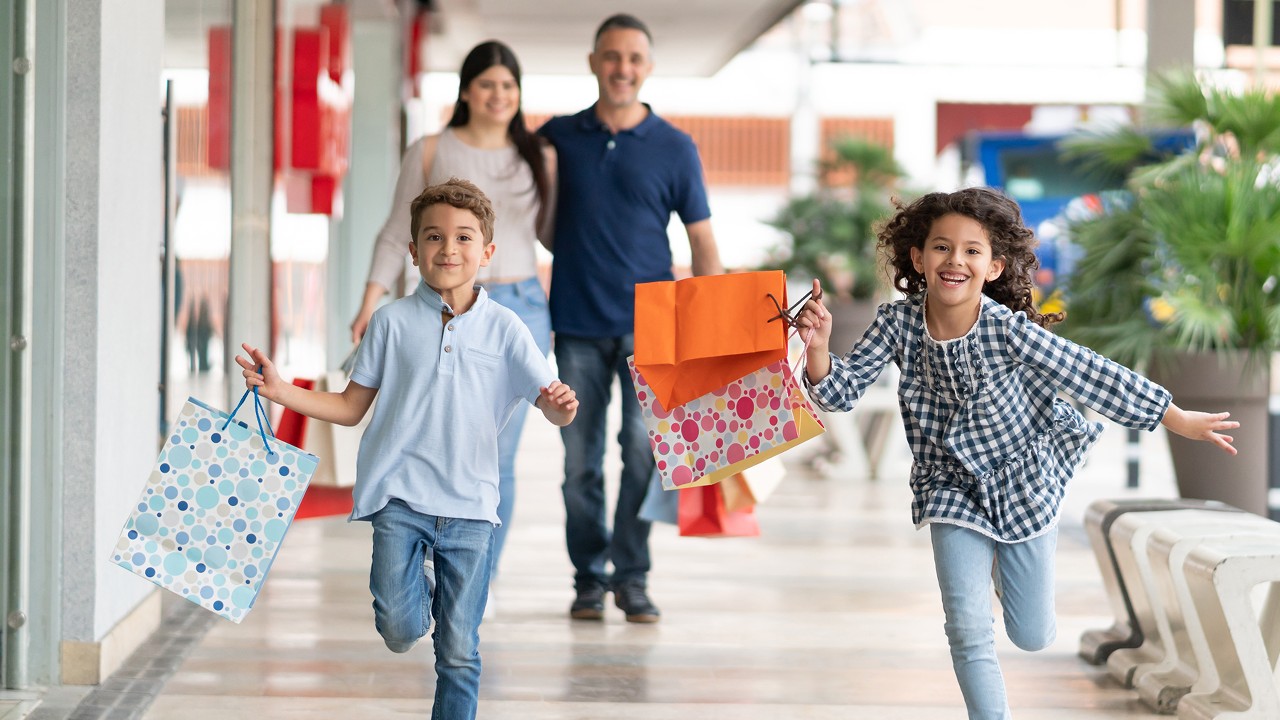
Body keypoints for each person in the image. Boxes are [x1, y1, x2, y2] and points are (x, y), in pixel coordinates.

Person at [793, 187, 1238, 720]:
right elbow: (838, 393)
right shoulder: (897, 324)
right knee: (966, 625)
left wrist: (1174, 417)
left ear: (994, 267)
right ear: (918, 258)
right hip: (948, 486)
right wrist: (817, 346)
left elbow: (1090, 373)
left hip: (1023, 478)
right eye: (941, 247)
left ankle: (1010, 568)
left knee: (1031, 634)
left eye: (972, 251)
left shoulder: (1008, 332)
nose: (955, 260)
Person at [237, 179, 578, 720]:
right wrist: (280, 391)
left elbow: (552, 408)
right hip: (399, 499)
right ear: (414, 251)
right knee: (398, 626)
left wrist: (562, 403)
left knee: (460, 653)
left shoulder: (507, 329)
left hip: (471, 508)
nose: (449, 248)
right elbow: (351, 408)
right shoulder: (390, 323)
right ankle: (428, 594)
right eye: (434, 237)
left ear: (487, 252)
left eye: (464, 238)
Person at [537, 13, 724, 624]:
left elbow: (703, 244)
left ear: (647, 67)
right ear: (594, 62)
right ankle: (588, 577)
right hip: (578, 324)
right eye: (612, 57)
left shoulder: (674, 146)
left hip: (655, 328)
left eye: (634, 59)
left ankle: (632, 575)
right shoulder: (557, 137)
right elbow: (531, 220)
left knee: (643, 452)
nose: (623, 68)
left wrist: (716, 330)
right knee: (579, 464)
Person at [350, 41, 555, 591]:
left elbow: (559, 235)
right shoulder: (429, 149)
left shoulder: (539, 154)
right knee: (428, 435)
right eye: (487, 84)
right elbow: (397, 232)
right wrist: (370, 300)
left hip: (521, 305)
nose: (498, 95)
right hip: (440, 303)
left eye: (509, 86)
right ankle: (419, 547)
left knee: (497, 453)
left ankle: (475, 582)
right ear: (467, 89)